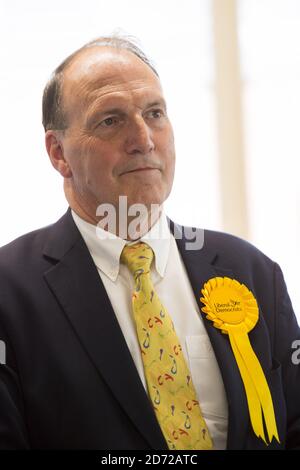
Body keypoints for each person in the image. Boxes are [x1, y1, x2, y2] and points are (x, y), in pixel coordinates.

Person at [0, 35, 299, 451]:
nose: (144, 138)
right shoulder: (9, 291)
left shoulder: (251, 270)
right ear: (58, 153)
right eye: (111, 120)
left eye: (154, 113)